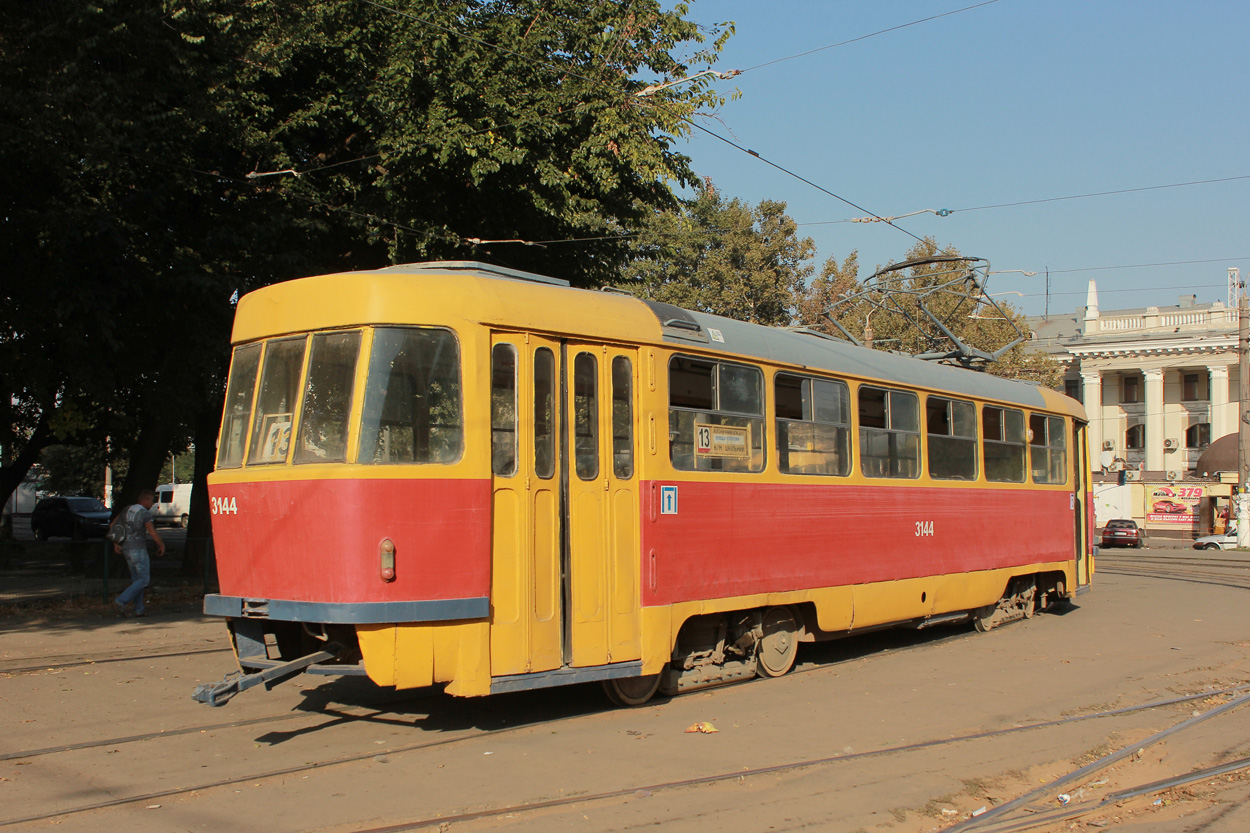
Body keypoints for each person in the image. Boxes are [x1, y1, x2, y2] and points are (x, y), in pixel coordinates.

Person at [113, 488, 165, 617]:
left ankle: (139, 609)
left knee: (137, 579)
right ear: (145, 500)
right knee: (144, 579)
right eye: (152, 501)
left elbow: (113, 525)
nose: (153, 504)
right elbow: (152, 532)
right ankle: (121, 600)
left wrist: (116, 543)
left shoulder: (127, 509)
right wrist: (161, 545)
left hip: (126, 548)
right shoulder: (144, 513)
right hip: (139, 549)